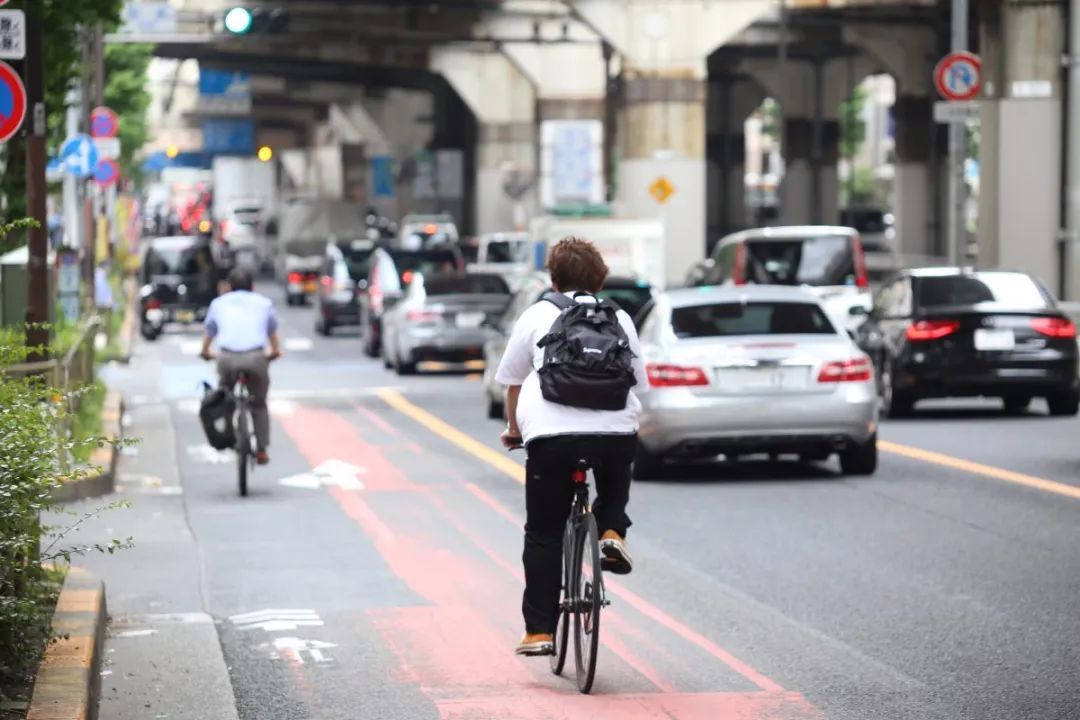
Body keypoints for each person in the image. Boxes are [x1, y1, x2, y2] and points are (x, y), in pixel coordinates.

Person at [494, 236, 648, 657]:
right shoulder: (619, 317)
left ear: (553, 277)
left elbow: (511, 380)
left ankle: (540, 632)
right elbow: (640, 385)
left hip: (551, 437)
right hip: (614, 432)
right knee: (617, 467)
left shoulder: (538, 314)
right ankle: (612, 528)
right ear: (599, 278)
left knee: (543, 532)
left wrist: (515, 429)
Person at [199, 267, 282, 464]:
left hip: (226, 359)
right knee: (259, 403)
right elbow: (272, 333)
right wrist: (275, 351)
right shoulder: (264, 303)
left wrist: (205, 352)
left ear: (229, 287)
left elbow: (209, 332)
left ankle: (228, 431)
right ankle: (261, 449)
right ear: (252, 287)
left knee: (225, 395)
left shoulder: (218, 303)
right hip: (256, 358)